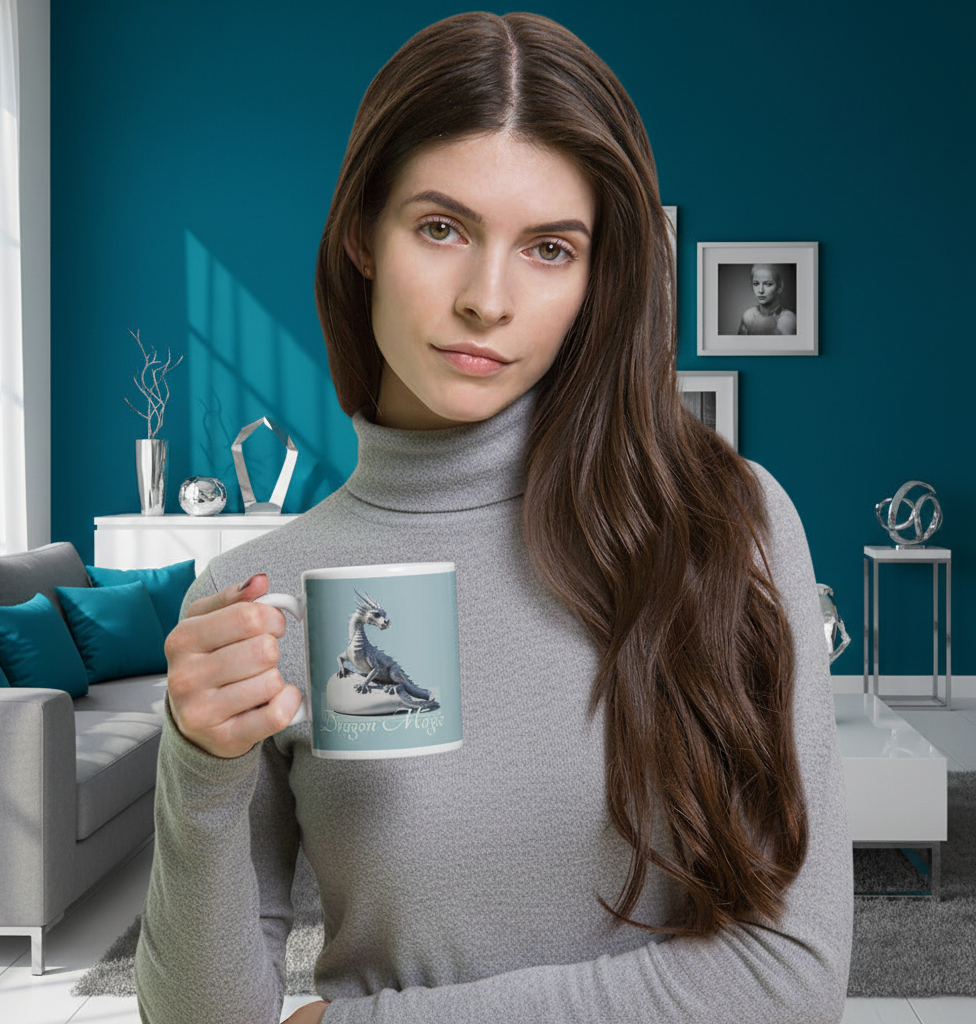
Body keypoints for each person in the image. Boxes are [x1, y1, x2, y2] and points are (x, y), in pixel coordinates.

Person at [134, 12, 852, 1024]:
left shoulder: (722, 523)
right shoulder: (260, 603)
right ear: (360, 234)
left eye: (550, 248)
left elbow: (789, 980)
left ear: (598, 278)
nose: (487, 298)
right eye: (442, 227)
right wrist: (200, 770)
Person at [737, 263, 798, 335]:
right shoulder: (748, 316)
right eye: (756, 284)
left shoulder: (788, 320)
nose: (760, 290)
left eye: (768, 284)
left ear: (780, 286)